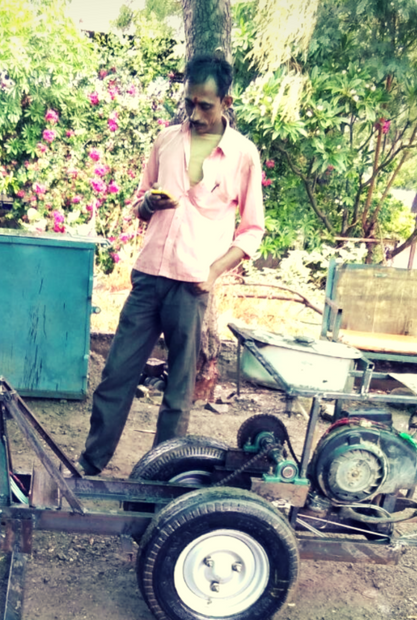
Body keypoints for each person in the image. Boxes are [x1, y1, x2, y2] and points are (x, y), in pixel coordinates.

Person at [77, 55, 265, 476]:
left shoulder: (243, 156)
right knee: (115, 377)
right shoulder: (165, 141)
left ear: (226, 102)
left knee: (178, 393)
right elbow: (138, 201)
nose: (195, 115)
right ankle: (90, 463)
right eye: (190, 104)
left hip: (192, 286)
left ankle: (159, 478)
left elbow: (252, 231)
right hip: (149, 278)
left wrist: (213, 274)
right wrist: (147, 203)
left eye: (205, 106)